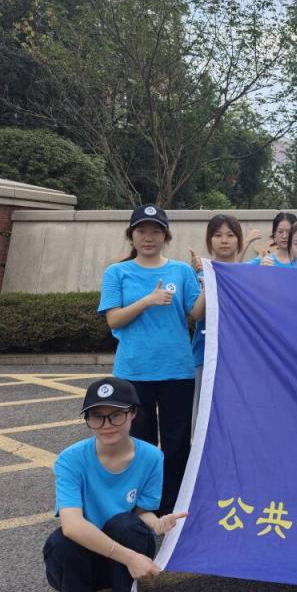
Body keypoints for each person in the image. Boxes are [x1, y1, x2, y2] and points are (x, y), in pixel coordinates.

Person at [43, 378, 186, 592]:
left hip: (126, 553)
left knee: (125, 524)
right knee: (60, 542)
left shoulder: (152, 456)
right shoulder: (70, 460)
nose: (107, 425)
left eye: (116, 415)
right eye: (97, 417)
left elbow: (141, 511)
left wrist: (156, 523)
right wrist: (130, 558)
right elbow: (72, 525)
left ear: (133, 414)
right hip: (92, 557)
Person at [98, 204, 205, 516]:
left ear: (166, 236)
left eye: (156, 231)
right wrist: (146, 301)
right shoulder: (117, 272)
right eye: (141, 230)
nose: (148, 237)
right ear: (131, 235)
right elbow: (114, 319)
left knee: (177, 442)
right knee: (140, 442)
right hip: (134, 372)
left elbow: (196, 313)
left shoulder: (181, 271)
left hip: (177, 371)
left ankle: (173, 506)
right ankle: (144, 505)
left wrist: (208, 282)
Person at [189, 214, 243, 425]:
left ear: (239, 240)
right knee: (205, 418)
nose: (224, 240)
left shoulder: (248, 275)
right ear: (209, 240)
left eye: (230, 235)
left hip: (241, 358)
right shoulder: (198, 274)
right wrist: (208, 281)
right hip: (205, 356)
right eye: (218, 235)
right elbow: (196, 314)